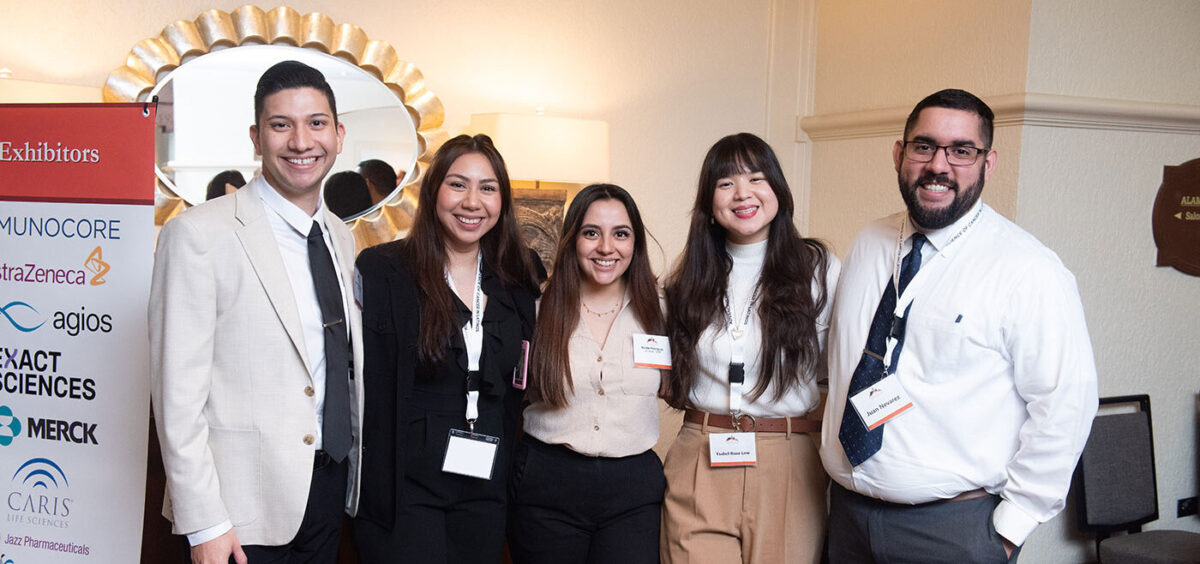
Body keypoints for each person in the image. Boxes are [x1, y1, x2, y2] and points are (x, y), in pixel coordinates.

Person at [820, 88, 1098, 563]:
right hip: (846, 518)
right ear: (898, 154)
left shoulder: (1028, 270)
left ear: (987, 163)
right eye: (923, 146)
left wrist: (1010, 530)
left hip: (954, 530)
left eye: (961, 151)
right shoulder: (867, 244)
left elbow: (1065, 402)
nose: (938, 165)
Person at [148, 60, 363, 564]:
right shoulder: (199, 235)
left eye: (316, 123)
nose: (301, 141)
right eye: (280, 125)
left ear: (339, 133)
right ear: (256, 136)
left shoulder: (340, 235)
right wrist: (204, 521)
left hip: (327, 489)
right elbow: (177, 397)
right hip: (238, 512)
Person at [353, 134, 543, 563]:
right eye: (458, 184)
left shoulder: (519, 274)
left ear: (502, 200)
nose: (472, 202)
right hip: (406, 487)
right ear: (434, 189)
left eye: (488, 188)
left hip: (484, 484)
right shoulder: (384, 270)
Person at [661, 133, 839, 563]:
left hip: (788, 458)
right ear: (709, 200)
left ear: (777, 187)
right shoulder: (686, 277)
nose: (743, 193)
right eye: (725, 183)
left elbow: (837, 367)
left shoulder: (817, 269)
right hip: (701, 450)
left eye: (756, 178)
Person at [508, 184, 667, 563]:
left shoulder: (664, 310)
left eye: (621, 234)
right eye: (591, 233)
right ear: (572, 238)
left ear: (636, 242)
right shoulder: (535, 308)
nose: (606, 247)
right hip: (547, 484)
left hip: (633, 492)